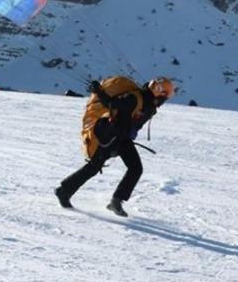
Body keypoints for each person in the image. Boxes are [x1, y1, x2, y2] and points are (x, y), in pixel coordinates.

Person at [55, 76, 175, 217]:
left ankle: (116, 201)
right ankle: (63, 191)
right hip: (109, 134)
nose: (165, 99)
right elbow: (112, 104)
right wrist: (98, 92)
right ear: (158, 91)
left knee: (135, 168)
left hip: (122, 138)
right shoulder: (135, 98)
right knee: (94, 167)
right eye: (165, 95)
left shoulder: (150, 106)